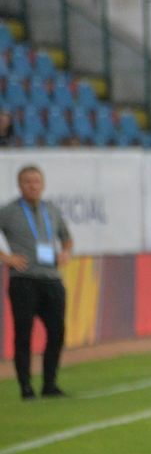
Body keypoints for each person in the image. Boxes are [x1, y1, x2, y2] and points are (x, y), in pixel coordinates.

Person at [0, 165, 73, 400]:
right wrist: (7, 258)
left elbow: (67, 238)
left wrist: (65, 253)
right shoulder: (9, 211)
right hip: (24, 279)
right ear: (20, 185)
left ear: (43, 184)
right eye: (28, 181)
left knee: (57, 331)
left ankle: (50, 383)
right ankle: (26, 387)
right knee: (24, 333)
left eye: (36, 181)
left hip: (51, 279)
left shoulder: (51, 209)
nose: (33, 185)